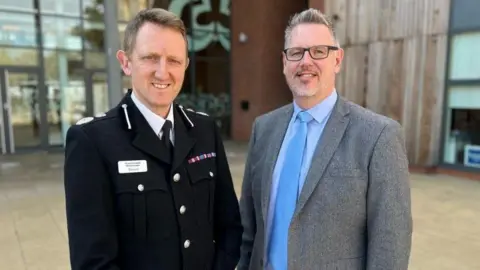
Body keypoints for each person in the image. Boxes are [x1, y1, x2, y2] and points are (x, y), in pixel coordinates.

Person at [64, 8, 242, 270]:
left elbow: (230, 228)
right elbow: (93, 262)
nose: (163, 72)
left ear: (185, 66)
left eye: (173, 60)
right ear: (126, 62)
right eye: (150, 58)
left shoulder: (204, 130)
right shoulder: (92, 141)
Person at [237, 8, 412, 270]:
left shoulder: (378, 136)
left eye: (319, 51)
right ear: (285, 62)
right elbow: (249, 226)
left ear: (337, 60)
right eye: (296, 52)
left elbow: (390, 245)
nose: (306, 61)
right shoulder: (264, 129)